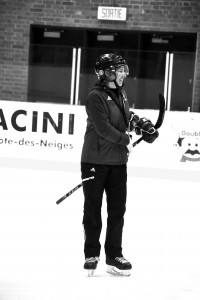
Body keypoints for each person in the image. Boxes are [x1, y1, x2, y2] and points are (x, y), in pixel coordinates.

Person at [81, 53, 159, 276]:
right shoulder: (95, 97)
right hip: (94, 161)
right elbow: (104, 128)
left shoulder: (122, 94)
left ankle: (114, 256)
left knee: (117, 211)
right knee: (93, 210)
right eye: (120, 69)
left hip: (117, 162)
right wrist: (127, 141)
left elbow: (125, 118)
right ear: (107, 73)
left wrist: (142, 125)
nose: (125, 73)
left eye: (124, 69)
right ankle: (91, 254)